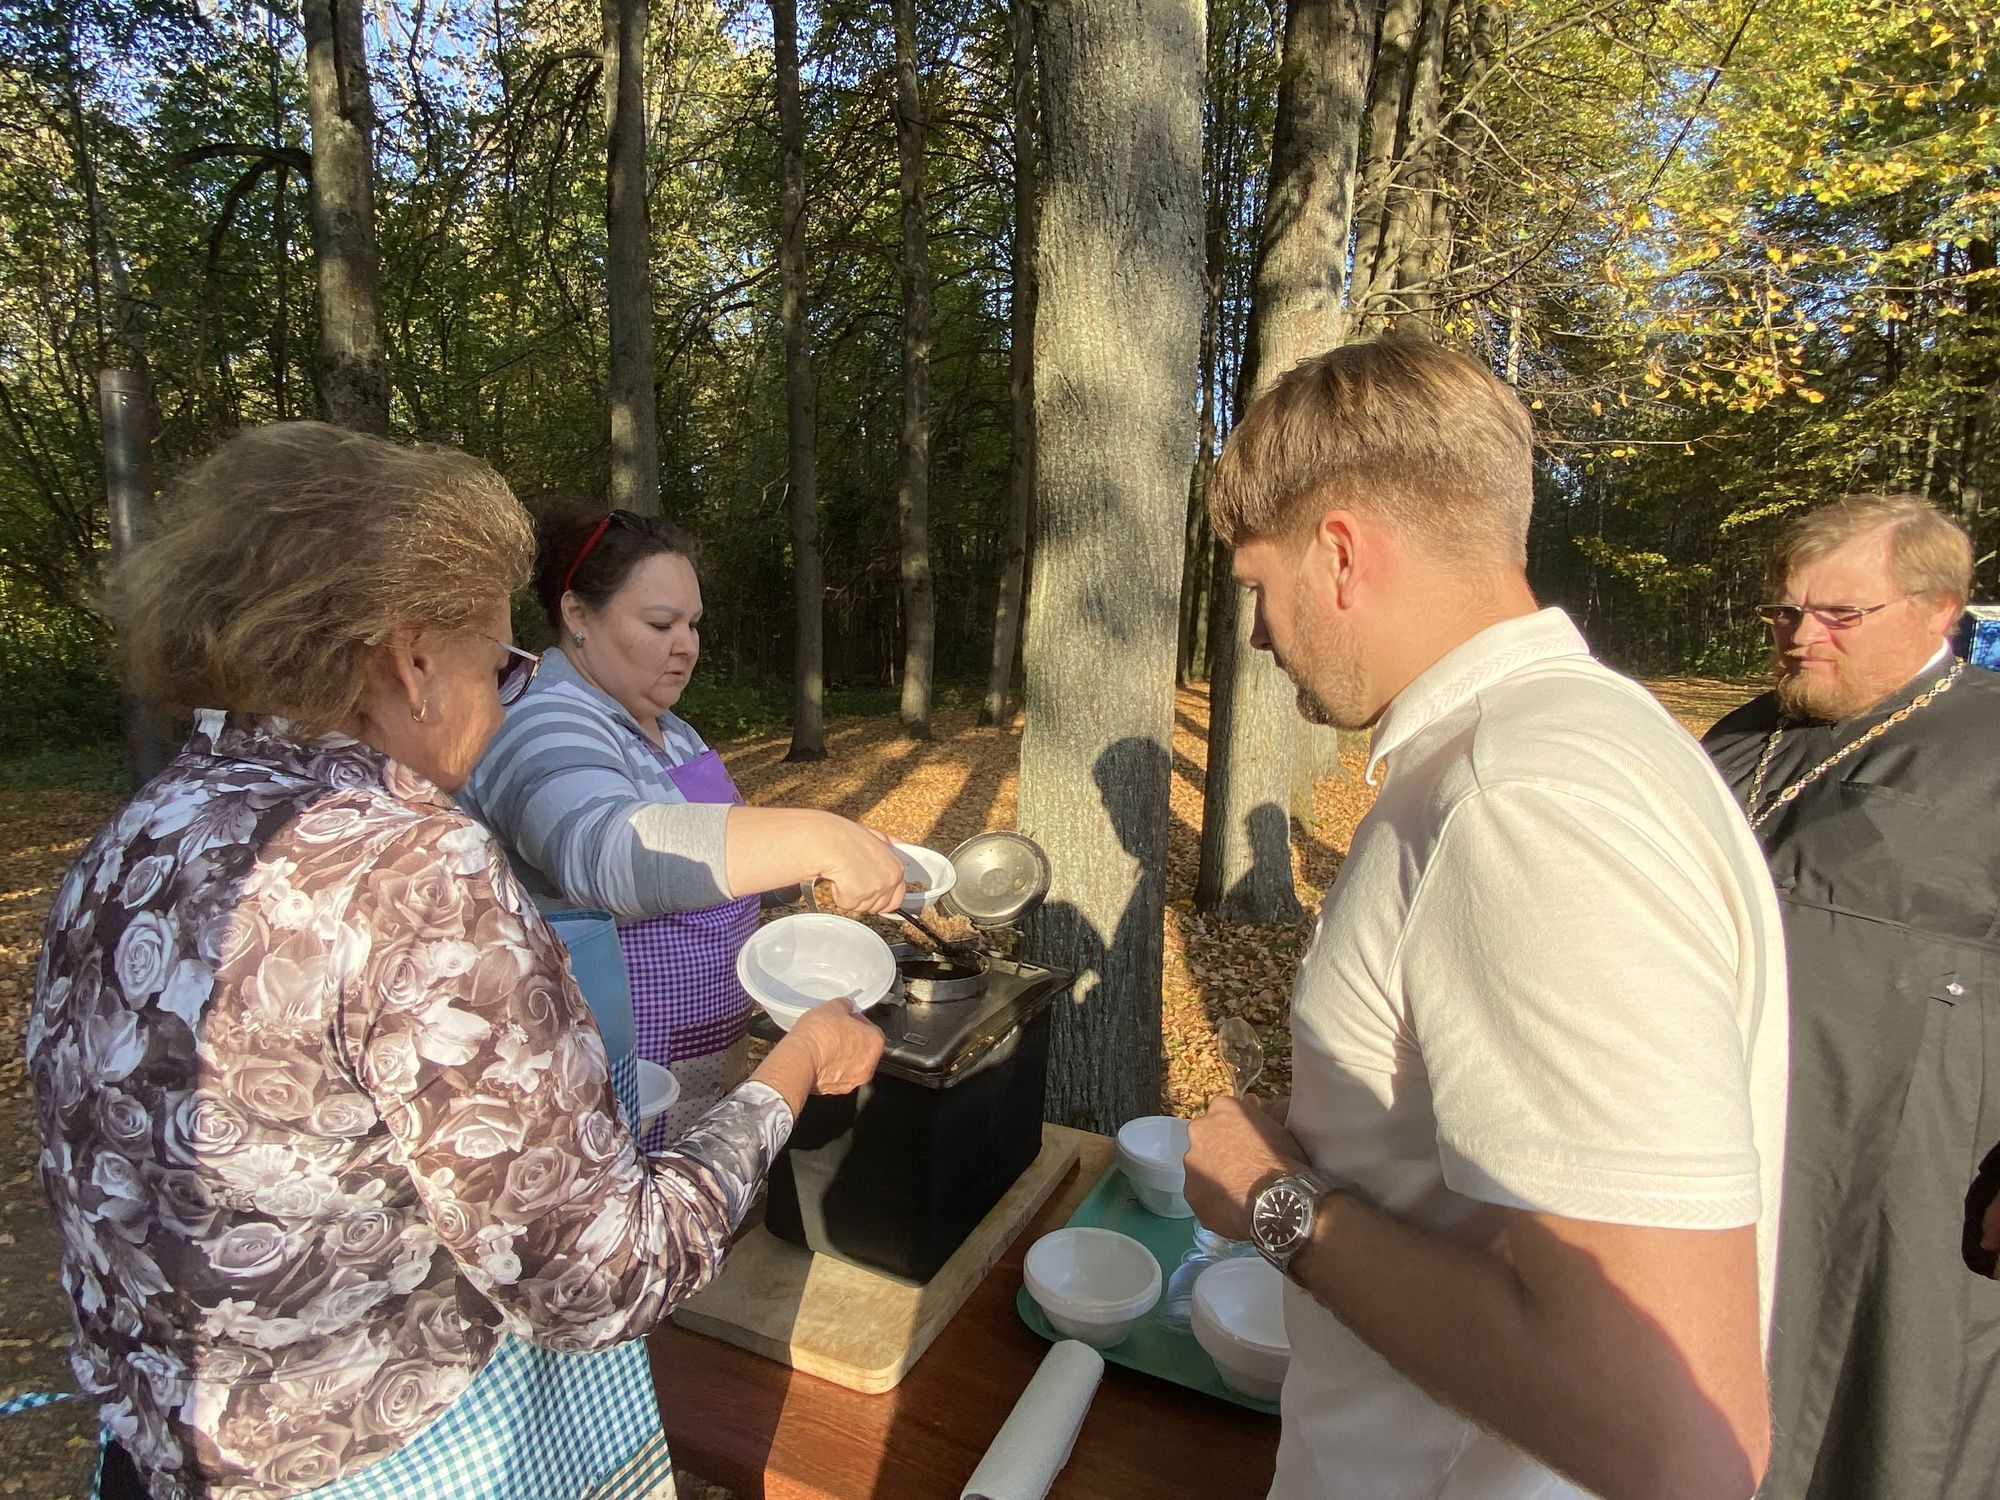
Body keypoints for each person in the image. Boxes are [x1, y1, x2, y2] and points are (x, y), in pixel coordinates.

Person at [27, 423, 884, 1500]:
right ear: (411, 661)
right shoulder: (412, 867)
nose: (512, 693)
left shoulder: (142, 831)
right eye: (501, 663)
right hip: (374, 1456)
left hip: (160, 1451)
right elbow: (598, 1278)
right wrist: (798, 1062)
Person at [1180, 336, 1787, 1500]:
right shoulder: (1582, 744)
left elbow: (1672, 1441)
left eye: (1256, 587)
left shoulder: (1519, 803)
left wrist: (1273, 1200)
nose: (1256, 637)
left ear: (1339, 554)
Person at [1702, 494, 2000, 1500]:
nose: (1799, 637)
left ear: (1938, 608)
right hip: (1728, 1141)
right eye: (1783, 612)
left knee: (1887, 1422)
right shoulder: (1741, 735)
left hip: (1914, 1163)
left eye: (1838, 615)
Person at [460, 508, 905, 1145]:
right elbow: (607, 851)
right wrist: (819, 836)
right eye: (660, 624)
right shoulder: (540, 720)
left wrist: (811, 864)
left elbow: (721, 854)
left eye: (692, 624)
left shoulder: (671, 729)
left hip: (705, 1050)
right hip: (614, 1078)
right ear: (577, 614)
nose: (687, 645)